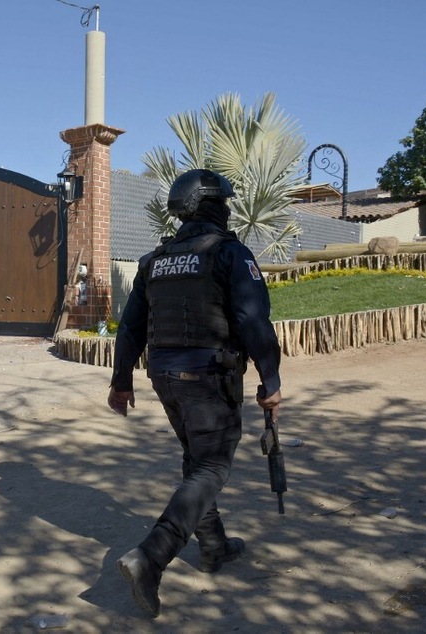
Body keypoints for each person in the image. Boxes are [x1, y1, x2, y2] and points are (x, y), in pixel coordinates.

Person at [107, 169, 283, 617]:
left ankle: (215, 546)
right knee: (211, 467)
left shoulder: (155, 260)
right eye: (223, 202)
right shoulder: (229, 252)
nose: (227, 209)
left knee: (196, 459)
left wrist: (121, 381)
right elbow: (252, 322)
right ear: (210, 205)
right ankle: (151, 556)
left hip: (164, 377)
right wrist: (271, 380)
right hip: (209, 376)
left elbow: (130, 327)